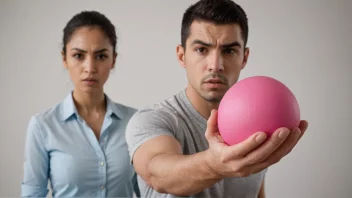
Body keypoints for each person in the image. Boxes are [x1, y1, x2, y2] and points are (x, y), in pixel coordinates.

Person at [125, 0, 309, 197]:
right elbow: (157, 174)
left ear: (244, 58)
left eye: (229, 51)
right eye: (201, 50)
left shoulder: (257, 121)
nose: (215, 65)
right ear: (181, 56)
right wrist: (216, 165)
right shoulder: (152, 119)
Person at [21, 11, 140, 197]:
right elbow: (33, 194)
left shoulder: (134, 121)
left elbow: (147, 190)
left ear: (113, 60)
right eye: (78, 55)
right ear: (64, 58)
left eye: (101, 56)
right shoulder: (43, 126)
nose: (90, 68)